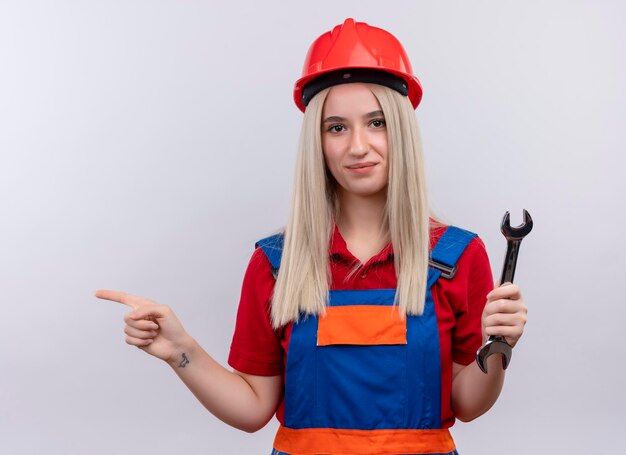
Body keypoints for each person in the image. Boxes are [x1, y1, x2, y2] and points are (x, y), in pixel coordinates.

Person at [96, 18, 528, 455]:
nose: (358, 146)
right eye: (336, 127)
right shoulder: (277, 262)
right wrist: (181, 351)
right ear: (317, 143)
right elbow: (251, 409)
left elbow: (468, 403)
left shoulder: (457, 256)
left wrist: (499, 346)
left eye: (376, 122)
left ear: (401, 129)